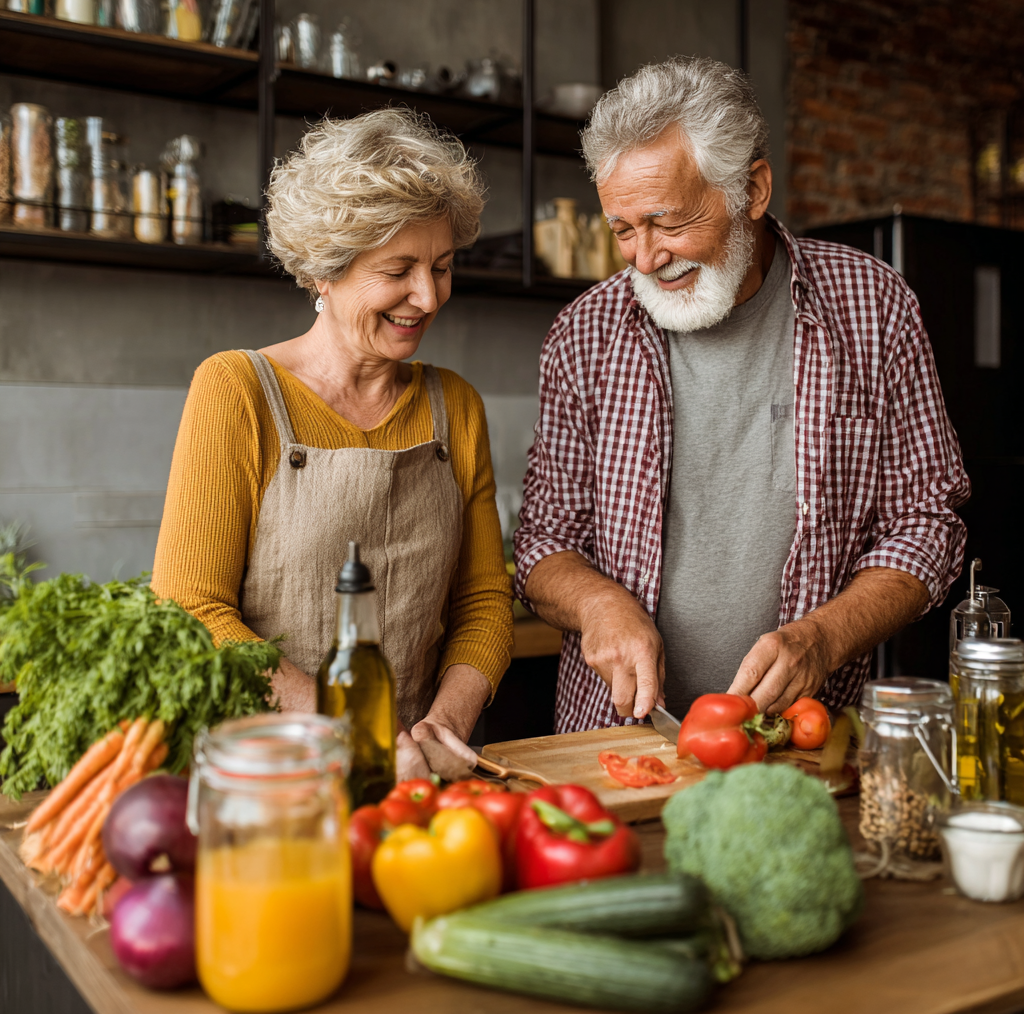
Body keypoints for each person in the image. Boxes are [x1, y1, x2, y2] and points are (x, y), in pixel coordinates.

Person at [514, 57, 969, 733]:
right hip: (616, 738)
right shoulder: (585, 333)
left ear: (751, 190)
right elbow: (545, 539)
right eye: (623, 229)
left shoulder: (874, 307)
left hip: (807, 737)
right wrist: (595, 604)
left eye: (668, 223)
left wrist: (825, 636)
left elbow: (926, 522)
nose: (644, 258)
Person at [152, 109, 512, 778]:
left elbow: (485, 600)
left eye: (441, 266)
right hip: (266, 769)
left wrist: (445, 723)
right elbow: (191, 608)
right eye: (398, 269)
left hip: (416, 770)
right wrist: (349, 732)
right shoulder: (237, 390)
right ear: (325, 270)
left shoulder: (455, 406)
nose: (427, 297)